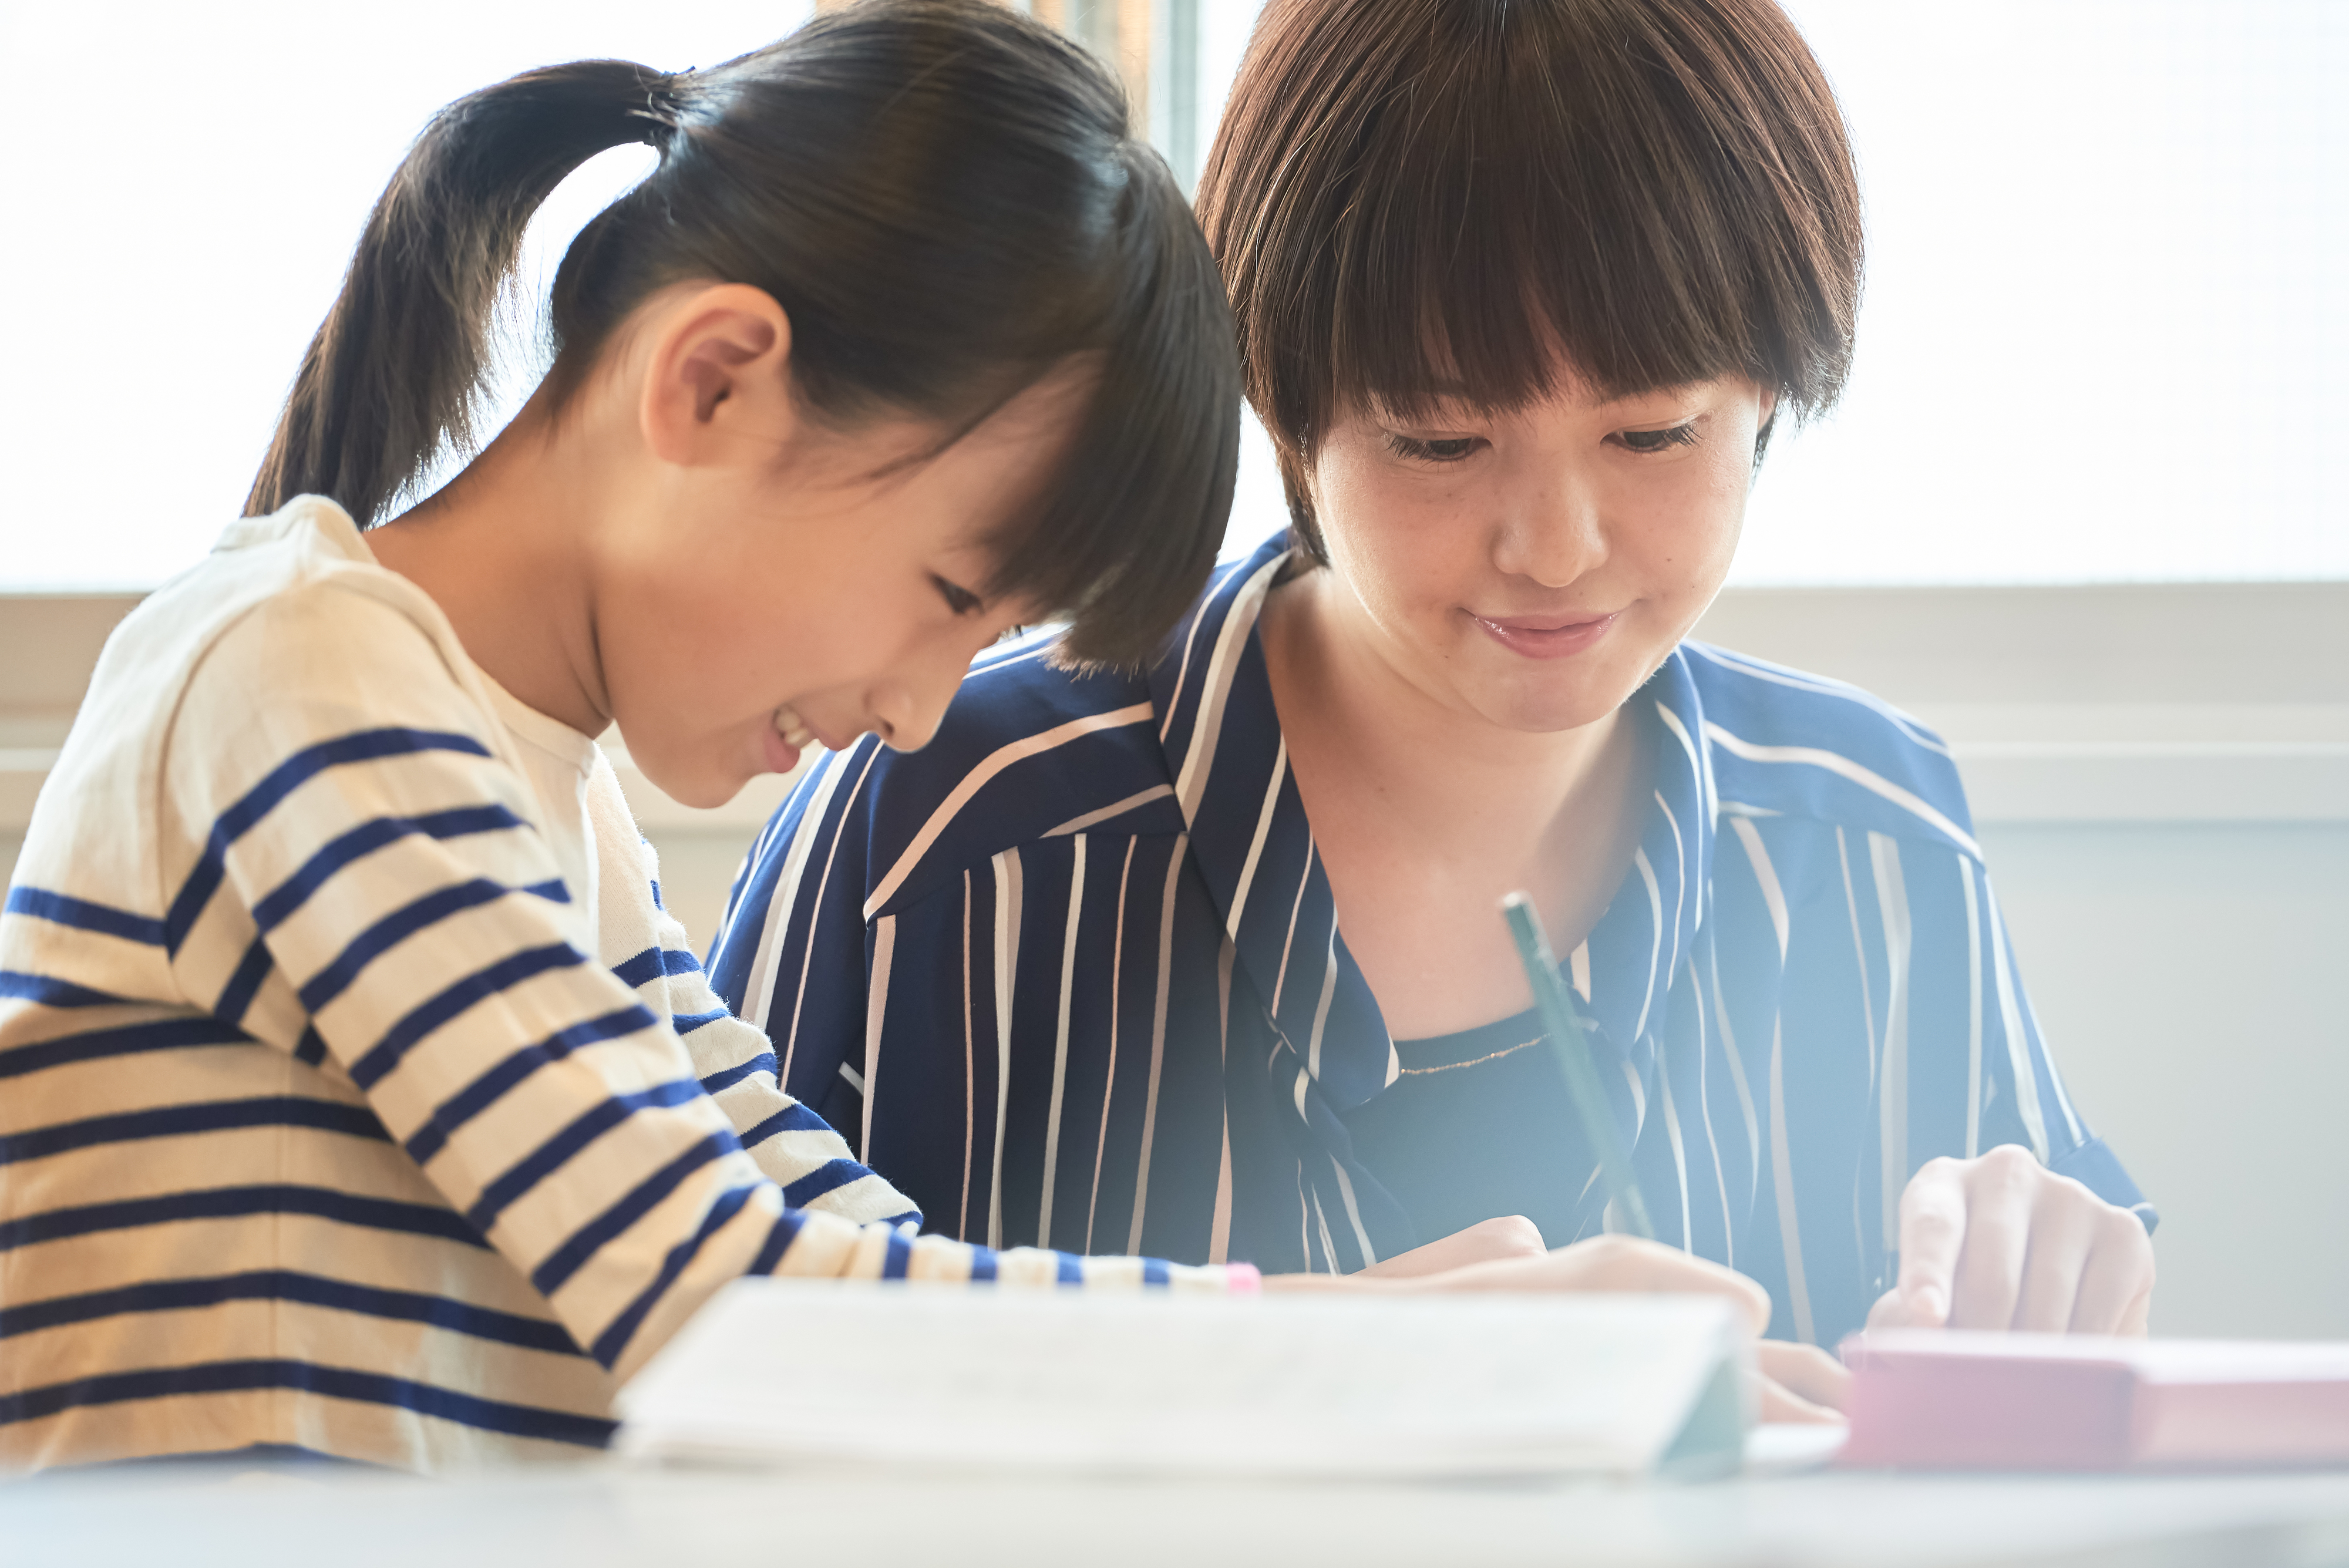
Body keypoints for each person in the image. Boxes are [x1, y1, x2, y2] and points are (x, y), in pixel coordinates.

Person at [0, 0, 1779, 1474]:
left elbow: (866, 1271)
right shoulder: (301, 678)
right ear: (711, 381)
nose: (925, 708)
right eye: (949, 588)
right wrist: (1377, 1363)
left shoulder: (542, 799)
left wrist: (1394, 1333)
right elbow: (738, 1321)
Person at [709, 0, 2159, 1378]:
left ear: (1767, 394)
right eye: (1438, 441)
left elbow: (2009, 1411)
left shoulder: (1877, 842)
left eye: (1652, 434)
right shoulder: (942, 823)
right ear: (1276, 394)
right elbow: (696, 1365)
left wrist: (2054, 1290)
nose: (1554, 549)